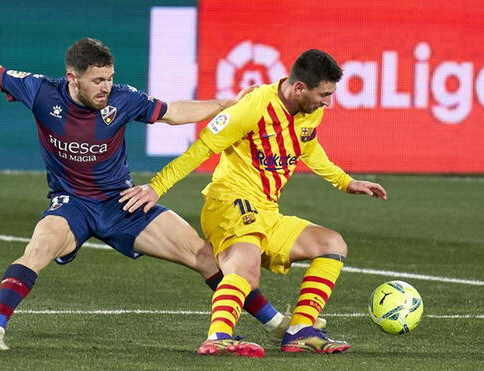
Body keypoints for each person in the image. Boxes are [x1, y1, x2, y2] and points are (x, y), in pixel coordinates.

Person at [0, 6, 296, 351]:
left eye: (109, 78)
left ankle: (277, 323)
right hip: (72, 203)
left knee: (202, 254)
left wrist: (225, 104)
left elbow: (174, 112)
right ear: (73, 78)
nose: (106, 87)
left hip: (120, 202)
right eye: (97, 80)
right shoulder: (41, 92)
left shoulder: (123, 98)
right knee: (37, 251)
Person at [120, 49, 388, 357]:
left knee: (332, 243)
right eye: (324, 94)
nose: (327, 102)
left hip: (266, 210)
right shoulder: (252, 108)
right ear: (299, 88)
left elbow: (308, 147)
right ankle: (219, 335)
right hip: (229, 202)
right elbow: (201, 149)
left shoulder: (311, 111)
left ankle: (300, 330)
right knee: (246, 266)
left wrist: (346, 182)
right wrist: (156, 187)